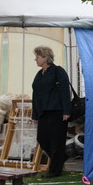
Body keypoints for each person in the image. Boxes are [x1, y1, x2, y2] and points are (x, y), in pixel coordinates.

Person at [32, 46, 72, 178]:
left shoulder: (58, 71)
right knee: (42, 139)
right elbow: (35, 95)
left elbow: (65, 92)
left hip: (57, 111)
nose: (35, 59)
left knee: (56, 141)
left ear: (45, 57)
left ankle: (55, 170)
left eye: (38, 56)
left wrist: (66, 111)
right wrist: (35, 114)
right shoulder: (39, 74)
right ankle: (61, 158)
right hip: (44, 112)